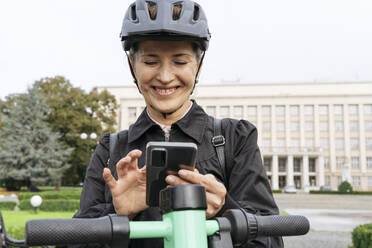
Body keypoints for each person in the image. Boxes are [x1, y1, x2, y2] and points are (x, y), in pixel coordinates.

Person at [74, 0, 284, 247]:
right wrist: (119, 214)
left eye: (180, 62)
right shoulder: (111, 149)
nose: (164, 77)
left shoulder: (236, 139)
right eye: (151, 62)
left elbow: (272, 241)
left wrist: (224, 210)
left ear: (199, 64)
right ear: (133, 65)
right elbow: (73, 242)